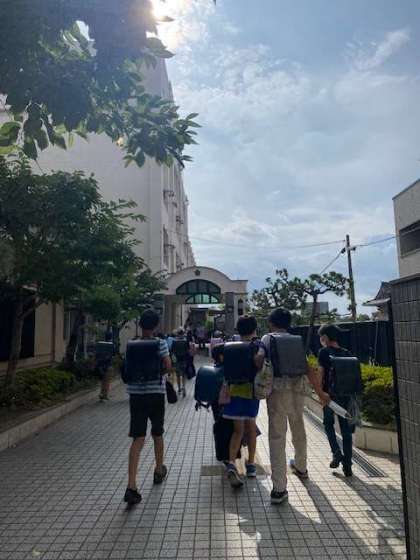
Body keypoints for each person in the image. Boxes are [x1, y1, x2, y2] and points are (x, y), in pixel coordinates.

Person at [258, 308, 329, 504]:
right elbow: (308, 368)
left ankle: (279, 489)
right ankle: (301, 467)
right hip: (297, 389)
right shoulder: (296, 340)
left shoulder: (267, 339)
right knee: (299, 429)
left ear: (271, 323)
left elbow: (259, 360)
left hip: (277, 391)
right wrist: (320, 393)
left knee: (277, 437)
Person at [123, 309, 172, 506]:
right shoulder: (160, 343)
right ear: (156, 325)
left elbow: (127, 367)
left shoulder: (131, 344)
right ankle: (159, 469)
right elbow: (168, 365)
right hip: (155, 394)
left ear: (140, 325)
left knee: (138, 438)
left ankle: (131, 485)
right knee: (157, 433)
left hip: (136, 395)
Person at [223, 315, 263, 488]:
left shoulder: (230, 345)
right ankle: (251, 464)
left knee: (237, 431)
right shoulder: (257, 345)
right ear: (254, 329)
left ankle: (232, 463)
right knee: (251, 429)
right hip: (251, 392)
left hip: (234, 392)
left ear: (238, 330)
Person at [318, 324, 354, 477]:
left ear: (325, 337)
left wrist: (320, 393)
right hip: (345, 396)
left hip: (329, 396)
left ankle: (336, 452)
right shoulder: (346, 353)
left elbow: (321, 374)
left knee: (328, 424)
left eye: (321, 337)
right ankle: (348, 465)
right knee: (346, 431)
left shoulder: (323, 352)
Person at [171, 328, 194, 397]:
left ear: (177, 334)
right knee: (184, 375)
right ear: (183, 333)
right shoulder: (185, 341)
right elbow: (188, 351)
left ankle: (179, 388)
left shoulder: (174, 341)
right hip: (184, 360)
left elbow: (172, 351)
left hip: (177, 360)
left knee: (178, 375)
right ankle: (184, 387)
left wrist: (173, 360)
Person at [95, 332, 114, 401]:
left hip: (101, 366)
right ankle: (105, 395)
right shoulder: (111, 345)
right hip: (108, 365)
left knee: (103, 381)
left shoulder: (100, 344)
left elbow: (97, 354)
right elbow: (114, 354)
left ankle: (101, 393)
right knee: (107, 381)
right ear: (111, 337)